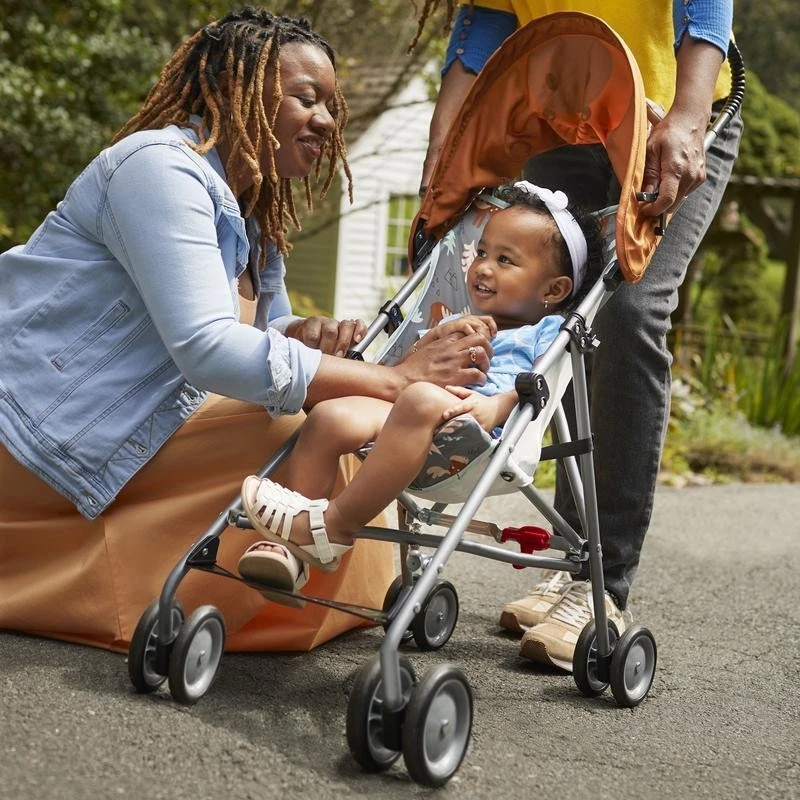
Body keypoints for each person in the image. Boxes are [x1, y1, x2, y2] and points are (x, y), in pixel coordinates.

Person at [0, 8, 494, 653]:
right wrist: (395, 378)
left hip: (122, 421)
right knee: (315, 425)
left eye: (333, 105)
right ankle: (219, 598)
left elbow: (265, 328)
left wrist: (305, 334)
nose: (326, 120)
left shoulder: (249, 201)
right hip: (36, 429)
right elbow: (209, 348)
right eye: (306, 98)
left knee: (344, 413)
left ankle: (283, 592)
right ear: (234, 93)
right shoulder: (161, 169)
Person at [411, 0, 742, 672]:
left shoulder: (682, 113)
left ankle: (604, 588)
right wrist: (445, 153)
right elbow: (486, 25)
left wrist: (688, 116)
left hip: (664, 116)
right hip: (565, 119)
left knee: (625, 312)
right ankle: (572, 569)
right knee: (544, 314)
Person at [236, 182, 604, 600]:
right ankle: (291, 551)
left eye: (505, 260)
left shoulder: (548, 331)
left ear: (553, 290)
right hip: (411, 416)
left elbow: (540, 388)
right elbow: (406, 372)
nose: (483, 267)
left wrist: (496, 407)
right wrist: (429, 343)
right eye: (481, 253)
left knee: (420, 398)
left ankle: (334, 526)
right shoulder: (458, 321)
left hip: (481, 434)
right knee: (330, 416)